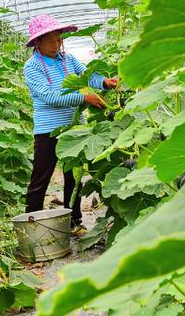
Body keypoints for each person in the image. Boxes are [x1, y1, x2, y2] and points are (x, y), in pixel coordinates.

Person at [23, 14, 117, 231]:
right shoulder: (32, 67)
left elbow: (87, 77)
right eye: (51, 42)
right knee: (41, 179)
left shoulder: (68, 59)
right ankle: (31, 225)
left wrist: (104, 82)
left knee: (73, 178)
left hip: (74, 127)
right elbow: (50, 97)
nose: (56, 45)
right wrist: (84, 98)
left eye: (59, 40)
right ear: (38, 42)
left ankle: (75, 222)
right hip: (48, 131)